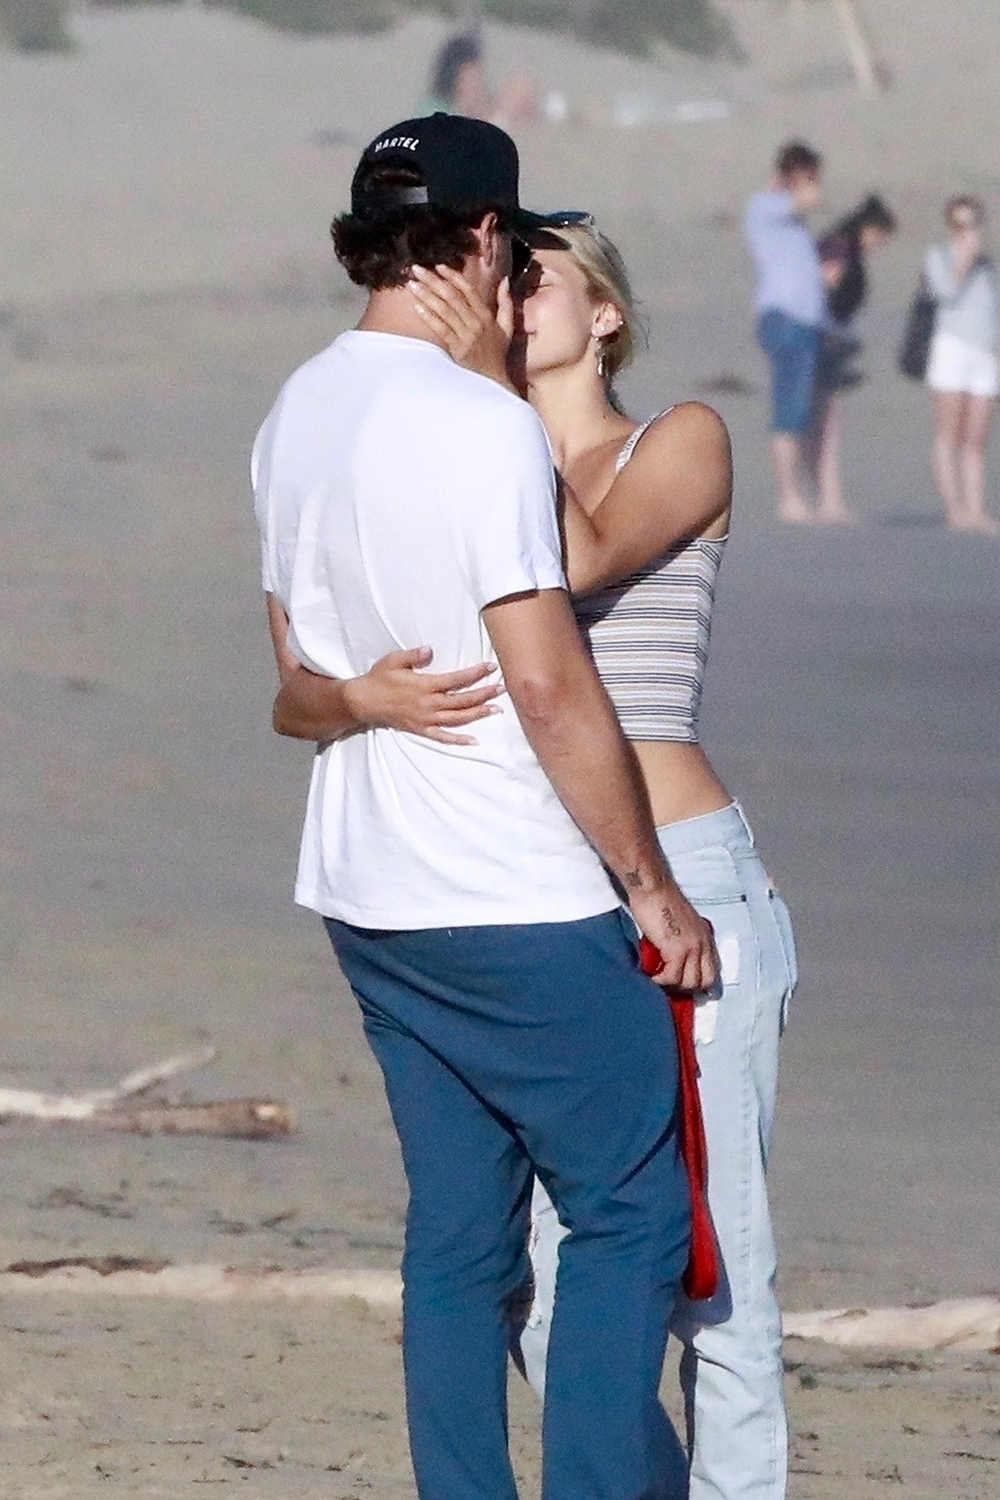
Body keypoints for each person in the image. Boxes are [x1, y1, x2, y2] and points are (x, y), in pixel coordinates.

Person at [277, 215, 799, 1500]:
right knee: (567, 1294)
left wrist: (478, 396)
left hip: (682, 865)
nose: (505, 302)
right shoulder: (468, 446)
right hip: (533, 883)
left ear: (605, 314)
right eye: (501, 280)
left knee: (716, 1282)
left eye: (537, 281)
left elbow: (576, 560)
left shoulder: (678, 439)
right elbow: (307, 671)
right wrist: (360, 698)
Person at [745, 142, 826, 522]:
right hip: (785, 320)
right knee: (789, 408)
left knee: (803, 409)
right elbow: (799, 200)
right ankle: (789, 498)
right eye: (807, 178)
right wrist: (795, 185)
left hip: (805, 322)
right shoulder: (767, 206)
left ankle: (808, 496)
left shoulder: (793, 224)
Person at [808, 194, 897, 522]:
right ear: (871, 228)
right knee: (826, 422)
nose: (881, 244)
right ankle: (828, 500)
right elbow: (822, 289)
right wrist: (832, 336)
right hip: (825, 341)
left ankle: (825, 498)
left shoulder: (838, 245)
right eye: (882, 236)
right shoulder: (841, 249)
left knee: (820, 421)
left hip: (829, 340)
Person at [924, 196, 999, 534]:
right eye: (960, 225)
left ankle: (975, 508)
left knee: (976, 437)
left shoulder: (988, 264)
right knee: (949, 433)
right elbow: (945, 292)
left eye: (973, 224)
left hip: (984, 354)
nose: (968, 231)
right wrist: (964, 259)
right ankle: (953, 508)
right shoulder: (937, 256)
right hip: (951, 350)